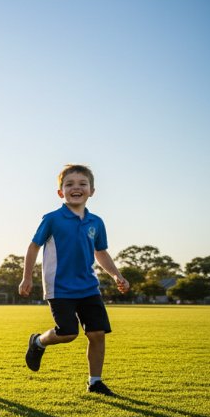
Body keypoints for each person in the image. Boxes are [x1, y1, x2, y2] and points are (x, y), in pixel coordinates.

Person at [18, 164, 129, 396]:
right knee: (68, 333)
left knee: (97, 334)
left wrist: (117, 275)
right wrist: (26, 277)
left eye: (82, 184)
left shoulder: (96, 222)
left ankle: (95, 382)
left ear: (92, 190)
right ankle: (38, 342)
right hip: (59, 288)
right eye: (69, 184)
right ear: (61, 192)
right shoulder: (52, 219)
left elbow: (101, 253)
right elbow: (33, 247)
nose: (76, 188)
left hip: (89, 287)